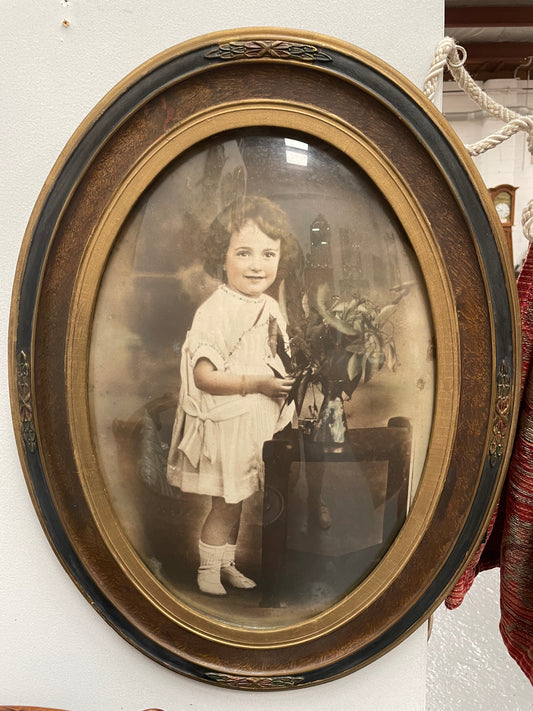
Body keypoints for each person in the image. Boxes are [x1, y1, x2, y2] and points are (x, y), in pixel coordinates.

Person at [167, 196, 296, 596]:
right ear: (221, 258)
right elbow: (204, 376)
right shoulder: (217, 309)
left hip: (256, 423)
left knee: (239, 499)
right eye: (243, 253)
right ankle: (207, 570)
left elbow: (278, 357)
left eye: (268, 253)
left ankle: (226, 564)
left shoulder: (271, 305)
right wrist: (257, 383)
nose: (257, 265)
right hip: (229, 421)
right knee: (225, 503)